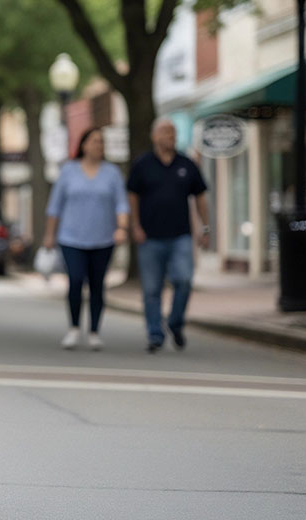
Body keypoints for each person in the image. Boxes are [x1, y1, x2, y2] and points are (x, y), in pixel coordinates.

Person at [127, 118, 211, 353]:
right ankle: (155, 334)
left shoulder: (187, 164)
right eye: (165, 132)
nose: (170, 136)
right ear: (154, 136)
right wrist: (135, 226)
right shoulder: (143, 164)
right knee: (152, 289)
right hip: (150, 237)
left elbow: (200, 197)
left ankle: (175, 322)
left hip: (180, 236)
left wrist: (205, 228)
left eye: (173, 132)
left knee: (183, 280)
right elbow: (132, 196)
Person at [42, 127, 129, 351]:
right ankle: (73, 328)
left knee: (98, 285)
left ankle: (94, 331)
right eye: (93, 141)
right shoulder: (68, 171)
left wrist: (121, 227)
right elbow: (55, 206)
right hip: (71, 238)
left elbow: (121, 204)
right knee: (76, 280)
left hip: (102, 239)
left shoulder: (112, 173)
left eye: (101, 142)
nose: (97, 145)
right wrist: (49, 235)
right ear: (82, 145)